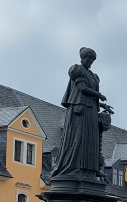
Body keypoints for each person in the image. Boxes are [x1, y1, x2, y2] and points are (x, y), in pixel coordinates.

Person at [52, 47, 113, 182]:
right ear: (82, 58)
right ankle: (74, 168)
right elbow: (83, 89)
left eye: (92, 59)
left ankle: (89, 172)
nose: (90, 61)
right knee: (78, 139)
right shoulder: (77, 70)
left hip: (91, 111)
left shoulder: (93, 76)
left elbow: (90, 97)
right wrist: (100, 96)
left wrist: (103, 105)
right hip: (79, 110)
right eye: (88, 58)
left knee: (91, 141)